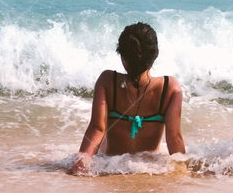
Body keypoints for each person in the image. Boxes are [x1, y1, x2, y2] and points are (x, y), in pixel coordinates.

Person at [71, 22, 185, 173]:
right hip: (149, 169)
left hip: (110, 165)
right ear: (155, 55)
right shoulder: (169, 88)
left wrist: (79, 166)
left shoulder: (107, 81)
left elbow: (97, 129)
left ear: (123, 57)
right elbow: (174, 138)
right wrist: (183, 172)